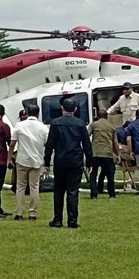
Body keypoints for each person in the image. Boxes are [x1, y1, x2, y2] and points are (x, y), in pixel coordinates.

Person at [44, 98, 93, 228]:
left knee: (58, 191)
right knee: (73, 191)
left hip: (60, 160)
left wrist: (47, 161)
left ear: (62, 108)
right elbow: (87, 145)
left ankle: (58, 219)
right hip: (75, 161)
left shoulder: (55, 123)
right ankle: (72, 220)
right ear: (75, 109)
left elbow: (50, 144)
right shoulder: (80, 124)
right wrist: (89, 162)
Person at [7, 104, 49, 221]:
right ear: (38, 113)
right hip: (36, 160)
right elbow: (47, 143)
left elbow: (12, 143)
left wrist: (9, 158)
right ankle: (32, 213)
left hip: (22, 159)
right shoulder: (43, 127)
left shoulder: (19, 125)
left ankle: (19, 212)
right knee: (34, 187)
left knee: (20, 186)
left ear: (27, 112)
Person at [87, 109, 120, 198]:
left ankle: (94, 194)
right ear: (107, 116)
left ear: (97, 116)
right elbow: (115, 143)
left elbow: (86, 137)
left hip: (95, 152)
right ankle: (112, 193)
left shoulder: (94, 125)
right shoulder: (112, 127)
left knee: (93, 174)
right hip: (107, 153)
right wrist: (118, 154)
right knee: (110, 174)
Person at [10, 109, 28, 194]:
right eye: (22, 115)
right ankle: (15, 185)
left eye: (25, 115)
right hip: (19, 151)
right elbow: (13, 142)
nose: (24, 117)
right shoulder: (17, 126)